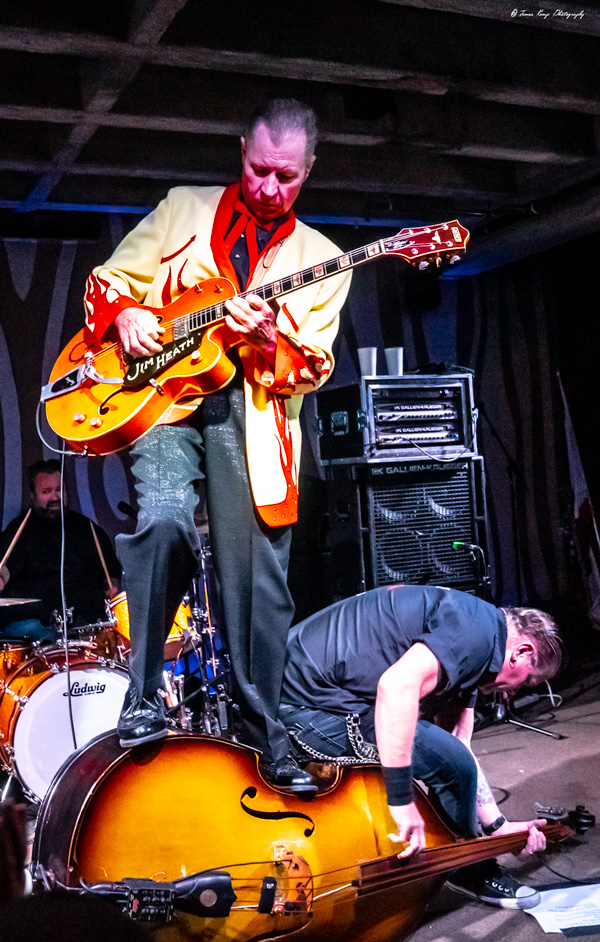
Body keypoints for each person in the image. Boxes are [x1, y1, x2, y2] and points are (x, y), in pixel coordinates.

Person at [83, 98, 352, 792]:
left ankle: (268, 742)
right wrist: (131, 315)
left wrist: (268, 339)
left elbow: (313, 366)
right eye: (259, 169)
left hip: (251, 416)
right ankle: (142, 700)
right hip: (164, 401)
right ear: (241, 151)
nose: (269, 187)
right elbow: (109, 283)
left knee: (258, 587)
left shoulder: (323, 260)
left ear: (310, 171)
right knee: (165, 523)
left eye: (286, 178)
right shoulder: (182, 208)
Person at [279, 584, 563, 908]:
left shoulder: (481, 631)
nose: (514, 693)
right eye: (527, 681)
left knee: (450, 759)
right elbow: (396, 686)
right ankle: (470, 869)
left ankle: (464, 856)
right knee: (435, 752)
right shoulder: (476, 639)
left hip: (305, 693)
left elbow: (458, 747)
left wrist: (497, 826)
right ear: (523, 652)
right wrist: (401, 800)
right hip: (300, 709)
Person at [0, 460, 121, 642]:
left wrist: (112, 585)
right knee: (49, 637)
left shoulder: (87, 528)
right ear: (33, 496)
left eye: (59, 490)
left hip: (84, 624)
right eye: (46, 492)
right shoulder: (20, 531)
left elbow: (111, 574)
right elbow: (6, 567)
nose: (55, 497)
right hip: (35, 624)